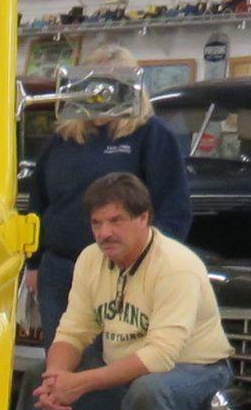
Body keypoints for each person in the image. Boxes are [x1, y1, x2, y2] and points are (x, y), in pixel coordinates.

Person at [5, 172, 233, 410]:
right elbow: (73, 330)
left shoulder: (176, 266)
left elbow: (161, 355)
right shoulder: (89, 259)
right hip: (123, 365)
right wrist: (58, 377)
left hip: (196, 369)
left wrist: (81, 383)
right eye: (97, 223)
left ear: (144, 219)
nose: (105, 233)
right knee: (36, 375)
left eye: (116, 221)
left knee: (147, 391)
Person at [25, 46, 193, 348]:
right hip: (61, 271)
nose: (100, 94)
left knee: (118, 364)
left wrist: (150, 267)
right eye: (91, 85)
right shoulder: (63, 139)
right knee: (63, 362)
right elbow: (39, 202)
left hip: (124, 273)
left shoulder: (151, 135)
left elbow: (173, 209)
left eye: (110, 85)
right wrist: (34, 263)